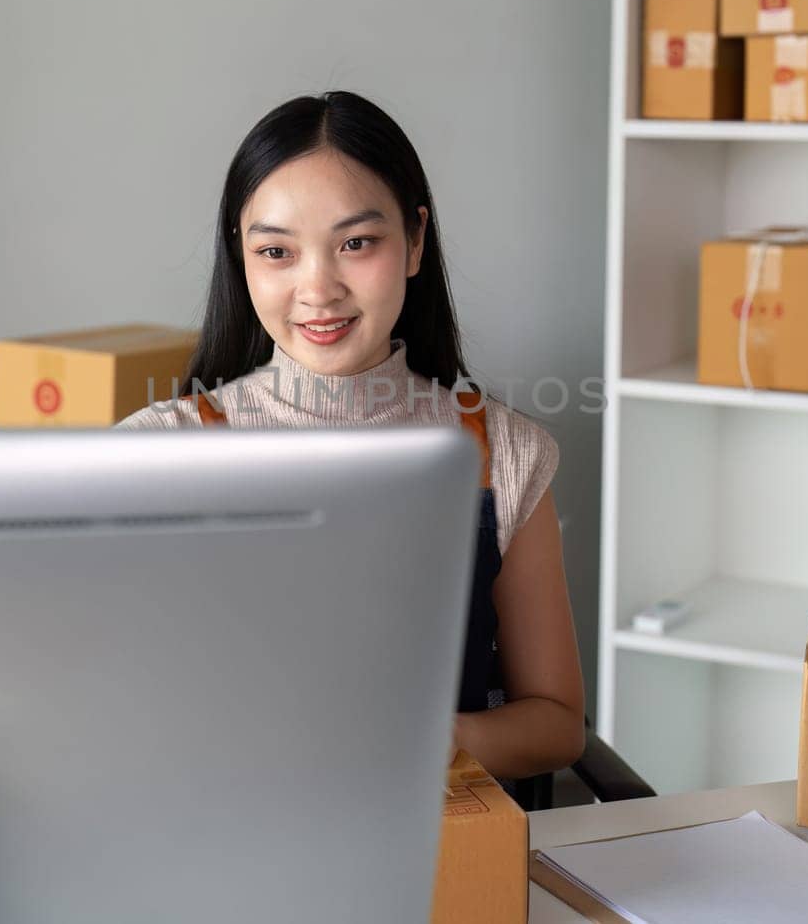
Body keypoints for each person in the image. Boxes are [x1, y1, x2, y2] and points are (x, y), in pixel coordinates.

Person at [116, 91, 584, 782]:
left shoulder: (502, 451)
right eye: (277, 251)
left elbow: (555, 723)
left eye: (356, 243)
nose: (318, 287)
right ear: (240, 258)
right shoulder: (161, 450)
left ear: (415, 241)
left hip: (439, 852)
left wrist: (421, 741)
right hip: (223, 843)